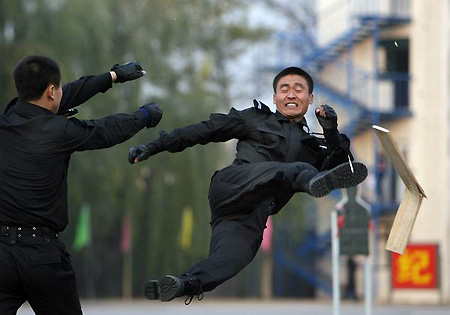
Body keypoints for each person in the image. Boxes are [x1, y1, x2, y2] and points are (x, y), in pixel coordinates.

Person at [128, 66, 368, 304]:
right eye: (284, 89)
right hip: (233, 185)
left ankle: (182, 283)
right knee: (298, 171)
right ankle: (307, 180)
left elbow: (345, 168)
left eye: (299, 90)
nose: (291, 94)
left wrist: (330, 130)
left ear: (310, 98)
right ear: (275, 98)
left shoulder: (313, 147)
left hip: (252, 211)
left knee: (231, 260)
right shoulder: (254, 119)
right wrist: (153, 146)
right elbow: (203, 131)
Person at [0, 55, 162, 315]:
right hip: (41, 257)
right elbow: (104, 130)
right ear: (51, 91)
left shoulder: (7, 116)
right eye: (59, 87)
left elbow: (63, 96)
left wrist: (112, 77)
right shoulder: (58, 132)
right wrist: (143, 116)